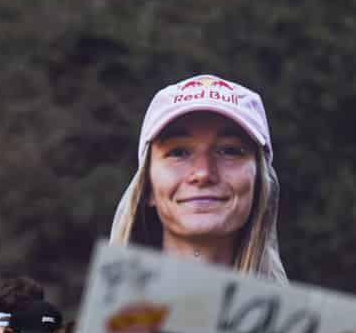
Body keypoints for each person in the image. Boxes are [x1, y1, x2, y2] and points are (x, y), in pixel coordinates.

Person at [110, 75, 285, 280]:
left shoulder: (301, 302)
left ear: (260, 182)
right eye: (178, 152)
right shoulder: (104, 300)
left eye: (229, 151)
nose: (203, 173)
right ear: (147, 185)